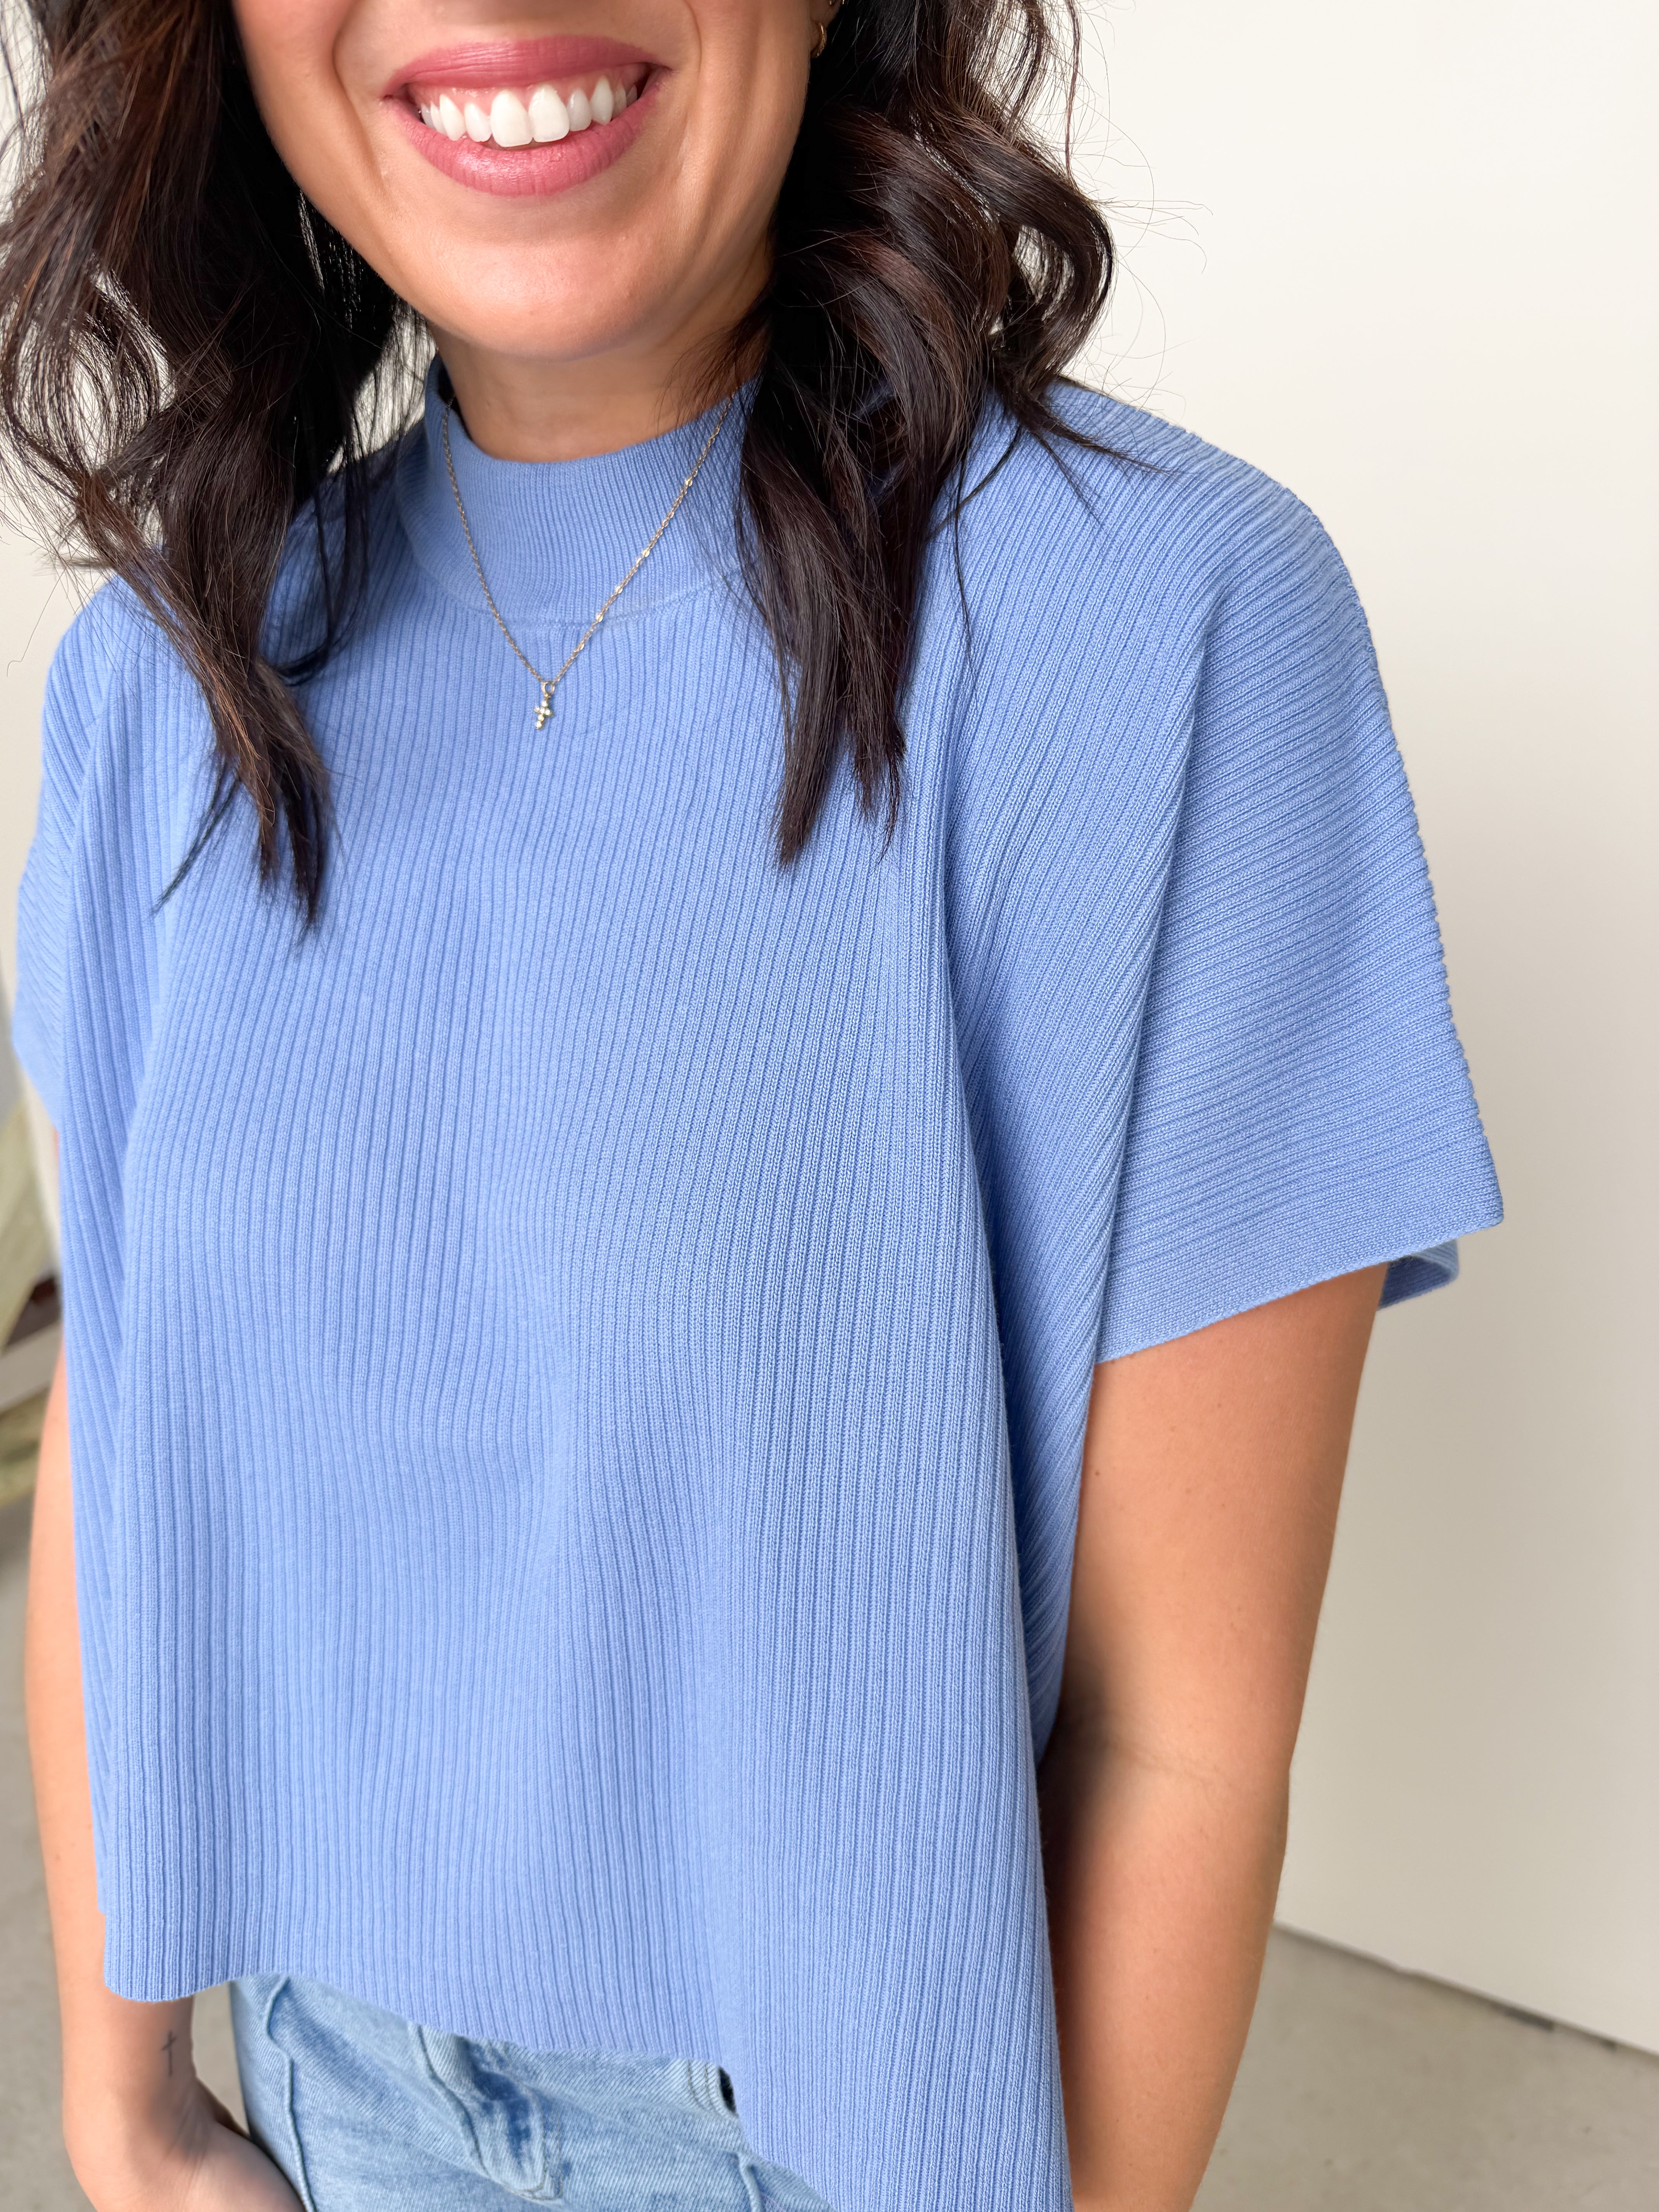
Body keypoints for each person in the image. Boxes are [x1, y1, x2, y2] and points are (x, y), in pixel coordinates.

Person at [2, 1, 1503, 2208]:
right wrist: (123, 2104)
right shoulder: (169, 683)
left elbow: (1176, 1736)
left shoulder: (1161, 632)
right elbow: (125, 1440)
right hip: (321, 2087)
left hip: (843, 2135)